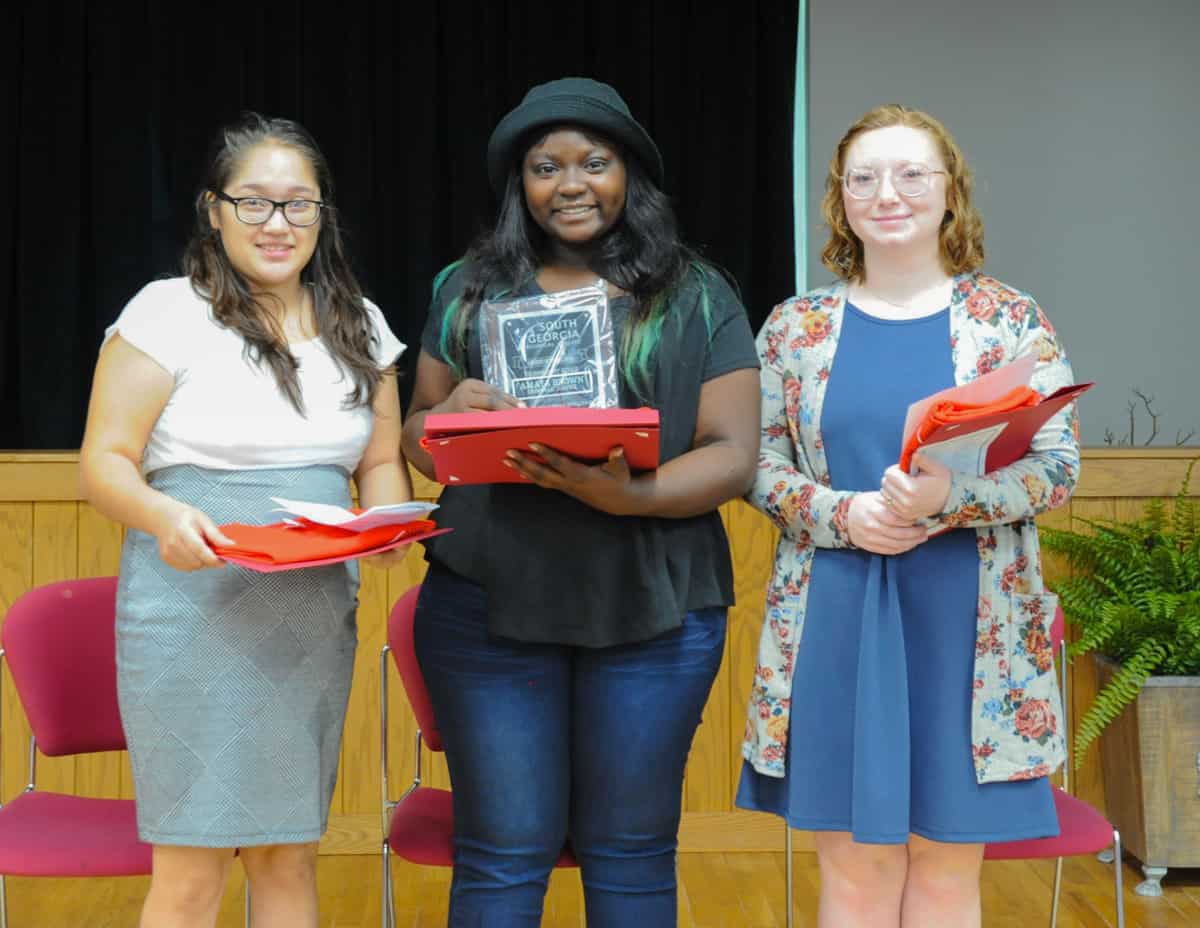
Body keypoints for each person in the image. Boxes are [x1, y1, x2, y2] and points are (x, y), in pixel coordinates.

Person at [399, 77, 760, 926]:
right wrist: (442, 423)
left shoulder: (697, 293)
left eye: (594, 162)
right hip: (486, 605)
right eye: (545, 165)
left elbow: (735, 455)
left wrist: (627, 497)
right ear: (518, 184)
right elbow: (418, 438)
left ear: (629, 172)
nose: (571, 183)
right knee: (500, 853)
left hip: (658, 608)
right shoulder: (466, 288)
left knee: (631, 853)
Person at [736, 104, 1081, 928]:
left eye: (910, 174)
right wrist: (841, 512)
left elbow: (1058, 467)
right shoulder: (796, 327)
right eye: (864, 178)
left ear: (950, 192)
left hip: (970, 620)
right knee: (853, 873)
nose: (886, 193)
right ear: (840, 199)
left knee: (945, 871)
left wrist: (949, 501)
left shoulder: (1009, 322)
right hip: (836, 609)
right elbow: (753, 463)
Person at [79, 113, 410, 928]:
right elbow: (104, 461)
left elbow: (377, 461)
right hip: (189, 599)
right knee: (191, 864)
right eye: (254, 203)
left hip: (307, 613)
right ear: (213, 210)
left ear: (323, 216)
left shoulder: (361, 322)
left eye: (299, 205)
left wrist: (389, 527)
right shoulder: (165, 313)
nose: (277, 224)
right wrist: (164, 515)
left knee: (288, 852)